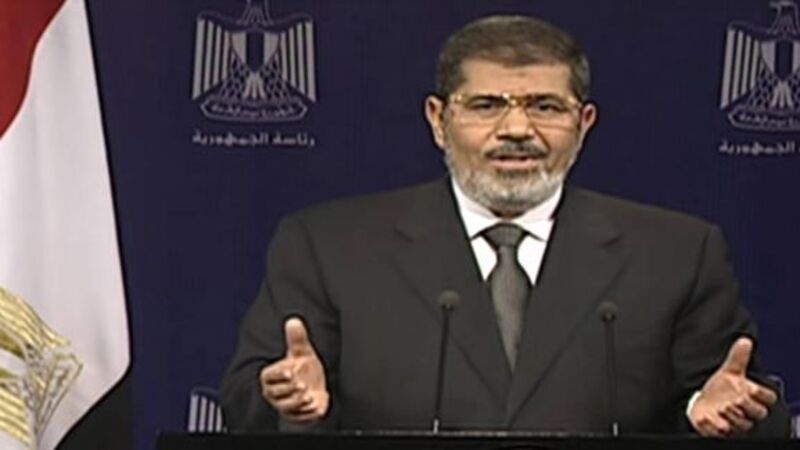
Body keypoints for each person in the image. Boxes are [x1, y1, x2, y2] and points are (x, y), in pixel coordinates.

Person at [220, 15, 789, 436]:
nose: (517, 130)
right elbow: (246, 405)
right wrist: (294, 409)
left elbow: (752, 409)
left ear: (584, 123)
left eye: (545, 107)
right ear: (439, 120)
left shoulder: (677, 253)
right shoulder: (329, 246)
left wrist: (714, 415)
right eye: (486, 105)